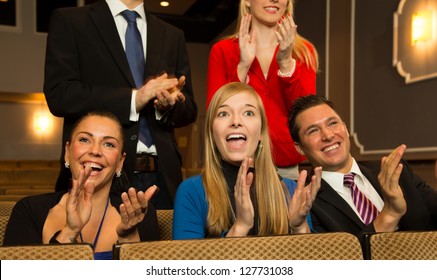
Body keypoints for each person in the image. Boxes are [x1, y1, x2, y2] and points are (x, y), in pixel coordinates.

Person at [43, 0, 198, 209]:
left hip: (163, 178)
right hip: (98, 174)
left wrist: (166, 106)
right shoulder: (71, 20)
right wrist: (134, 99)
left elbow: (189, 110)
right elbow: (60, 94)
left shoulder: (172, 34)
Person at [173, 82, 322, 240]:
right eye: (223, 114)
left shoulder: (292, 191)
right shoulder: (192, 191)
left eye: (248, 113)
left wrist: (299, 228)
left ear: (260, 133)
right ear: (212, 134)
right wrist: (240, 227)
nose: (236, 121)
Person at [4, 111, 160, 259]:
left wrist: (129, 237)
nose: (95, 151)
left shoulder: (139, 214)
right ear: (67, 152)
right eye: (85, 140)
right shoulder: (29, 210)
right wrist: (69, 232)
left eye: (109, 144)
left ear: (120, 162)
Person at [288, 95, 437, 241]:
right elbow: (339, 262)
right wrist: (390, 214)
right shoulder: (306, 202)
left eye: (332, 123)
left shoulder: (394, 170)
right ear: (300, 148)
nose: (328, 135)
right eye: (313, 130)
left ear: (345, 129)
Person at [207, 0, 318, 180]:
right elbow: (215, 113)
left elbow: (306, 115)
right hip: (236, 165)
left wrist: (286, 64)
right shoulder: (223, 51)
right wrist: (242, 66)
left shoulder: (304, 52)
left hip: (286, 168)